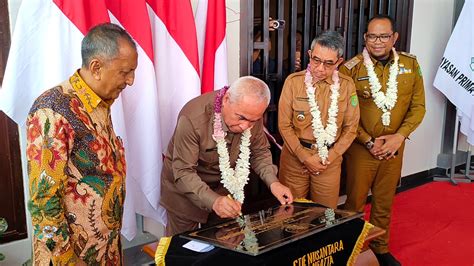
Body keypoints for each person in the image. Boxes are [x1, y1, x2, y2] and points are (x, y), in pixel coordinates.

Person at [26, 23, 137, 265]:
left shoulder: (100, 102)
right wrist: (65, 260)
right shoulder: (52, 109)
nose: (130, 81)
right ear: (96, 67)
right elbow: (44, 202)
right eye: (125, 72)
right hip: (71, 258)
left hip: (105, 251)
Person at [339, 15, 425, 266]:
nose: (378, 42)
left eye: (384, 36)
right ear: (365, 38)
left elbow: (418, 107)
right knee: (353, 204)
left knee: (384, 201)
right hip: (361, 149)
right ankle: (351, 250)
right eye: (372, 36)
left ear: (394, 37)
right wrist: (368, 141)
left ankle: (380, 248)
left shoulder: (410, 65)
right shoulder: (351, 68)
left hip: (394, 148)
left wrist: (399, 137)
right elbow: (345, 112)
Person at [160, 76, 294, 236]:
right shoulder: (193, 117)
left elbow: (259, 152)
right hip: (185, 194)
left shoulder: (251, 114)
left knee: (225, 246)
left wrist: (273, 183)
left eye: (253, 121)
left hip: (226, 193)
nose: (245, 126)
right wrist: (214, 201)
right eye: (241, 118)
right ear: (226, 100)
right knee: (183, 251)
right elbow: (183, 172)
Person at [278, 30, 360, 209]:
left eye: (328, 63)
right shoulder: (293, 82)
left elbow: (351, 128)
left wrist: (329, 157)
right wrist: (304, 156)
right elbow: (284, 125)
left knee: (324, 215)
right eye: (316, 60)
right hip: (294, 159)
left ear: (339, 61)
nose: (320, 68)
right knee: (291, 215)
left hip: (328, 162)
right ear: (309, 55)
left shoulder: (346, 86)